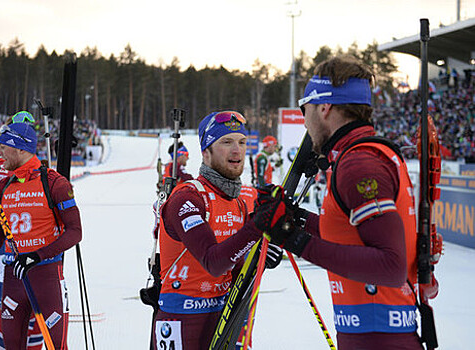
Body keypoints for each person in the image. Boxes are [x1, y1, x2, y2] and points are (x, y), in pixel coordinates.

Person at [266, 56, 436, 349]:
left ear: (324, 107)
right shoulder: (361, 156)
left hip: (378, 338)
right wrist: (298, 220)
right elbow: (350, 235)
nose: (304, 120)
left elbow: (390, 266)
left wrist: (294, 240)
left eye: (304, 109)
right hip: (373, 333)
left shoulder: (359, 164)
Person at [152, 111, 286, 350]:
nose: (237, 150)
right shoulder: (188, 198)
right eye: (226, 142)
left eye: (242, 142)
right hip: (183, 316)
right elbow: (213, 261)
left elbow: (234, 265)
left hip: (224, 313)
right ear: (206, 152)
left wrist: (258, 260)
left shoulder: (238, 203)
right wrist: (258, 225)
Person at [0, 121, 82, 349]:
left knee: (56, 347)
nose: (0, 152)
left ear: (21, 148)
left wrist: (38, 255)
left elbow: (75, 232)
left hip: (46, 279)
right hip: (13, 280)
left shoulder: (54, 183)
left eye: (4, 146)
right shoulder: (5, 185)